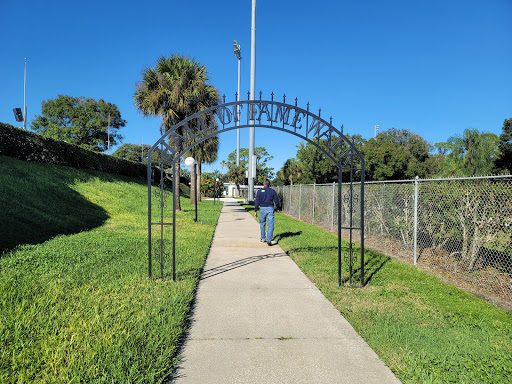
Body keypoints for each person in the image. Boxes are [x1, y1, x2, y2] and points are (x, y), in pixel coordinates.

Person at [254, 179, 280, 246]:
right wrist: (277, 208)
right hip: (270, 208)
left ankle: (263, 238)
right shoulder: (272, 191)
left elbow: (257, 201)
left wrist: (255, 211)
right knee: (270, 224)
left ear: (263, 184)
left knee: (262, 223)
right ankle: (269, 238)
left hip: (262, 208)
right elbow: (276, 200)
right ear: (269, 184)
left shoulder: (259, 191)